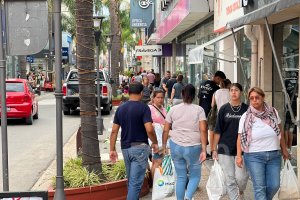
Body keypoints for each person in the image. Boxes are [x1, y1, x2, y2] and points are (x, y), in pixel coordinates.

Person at [236, 87, 290, 200]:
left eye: (257, 97)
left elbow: (280, 132)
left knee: (274, 185)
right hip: (253, 156)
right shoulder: (246, 117)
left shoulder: (273, 112)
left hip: (274, 155)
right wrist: (239, 156)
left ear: (263, 97)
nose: (254, 100)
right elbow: (240, 138)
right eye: (252, 98)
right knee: (259, 188)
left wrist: (284, 150)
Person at [110, 82, 159, 200]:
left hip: (125, 148)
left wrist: (112, 149)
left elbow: (114, 131)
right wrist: (155, 142)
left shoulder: (120, 108)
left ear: (129, 93)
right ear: (141, 93)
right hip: (140, 148)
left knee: (131, 181)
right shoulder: (143, 108)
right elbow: (149, 129)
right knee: (135, 184)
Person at [162, 84, 207, 200]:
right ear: (194, 95)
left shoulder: (173, 109)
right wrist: (204, 149)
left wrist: (163, 146)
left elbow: (166, 129)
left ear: (182, 94)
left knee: (181, 177)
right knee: (195, 176)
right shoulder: (199, 110)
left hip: (176, 145)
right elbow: (203, 129)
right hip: (193, 147)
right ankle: (188, 196)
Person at [212, 83, 249, 200]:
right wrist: (214, 149)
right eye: (231, 90)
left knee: (241, 178)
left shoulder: (247, 109)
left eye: (236, 90)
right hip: (225, 147)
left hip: (242, 149)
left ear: (241, 92)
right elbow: (217, 130)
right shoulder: (224, 109)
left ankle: (241, 191)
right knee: (230, 178)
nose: (233, 92)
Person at [198, 70, 226, 158]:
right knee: (210, 130)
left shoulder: (202, 83)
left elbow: (199, 96)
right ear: (217, 78)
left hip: (201, 109)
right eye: (221, 80)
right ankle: (209, 151)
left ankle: (203, 151)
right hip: (210, 112)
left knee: (202, 130)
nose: (221, 83)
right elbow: (214, 103)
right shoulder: (216, 88)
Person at [208, 79, 231, 156]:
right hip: (229, 113)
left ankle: (213, 150)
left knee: (215, 132)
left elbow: (212, 105)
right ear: (228, 85)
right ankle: (225, 149)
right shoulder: (230, 92)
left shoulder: (216, 92)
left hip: (218, 114)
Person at [148, 89, 167, 178]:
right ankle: (153, 185)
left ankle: (157, 184)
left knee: (160, 162)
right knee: (157, 162)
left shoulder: (164, 109)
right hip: (154, 140)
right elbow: (148, 125)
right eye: (158, 97)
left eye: (162, 98)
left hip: (163, 140)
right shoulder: (149, 108)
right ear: (153, 98)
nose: (160, 100)